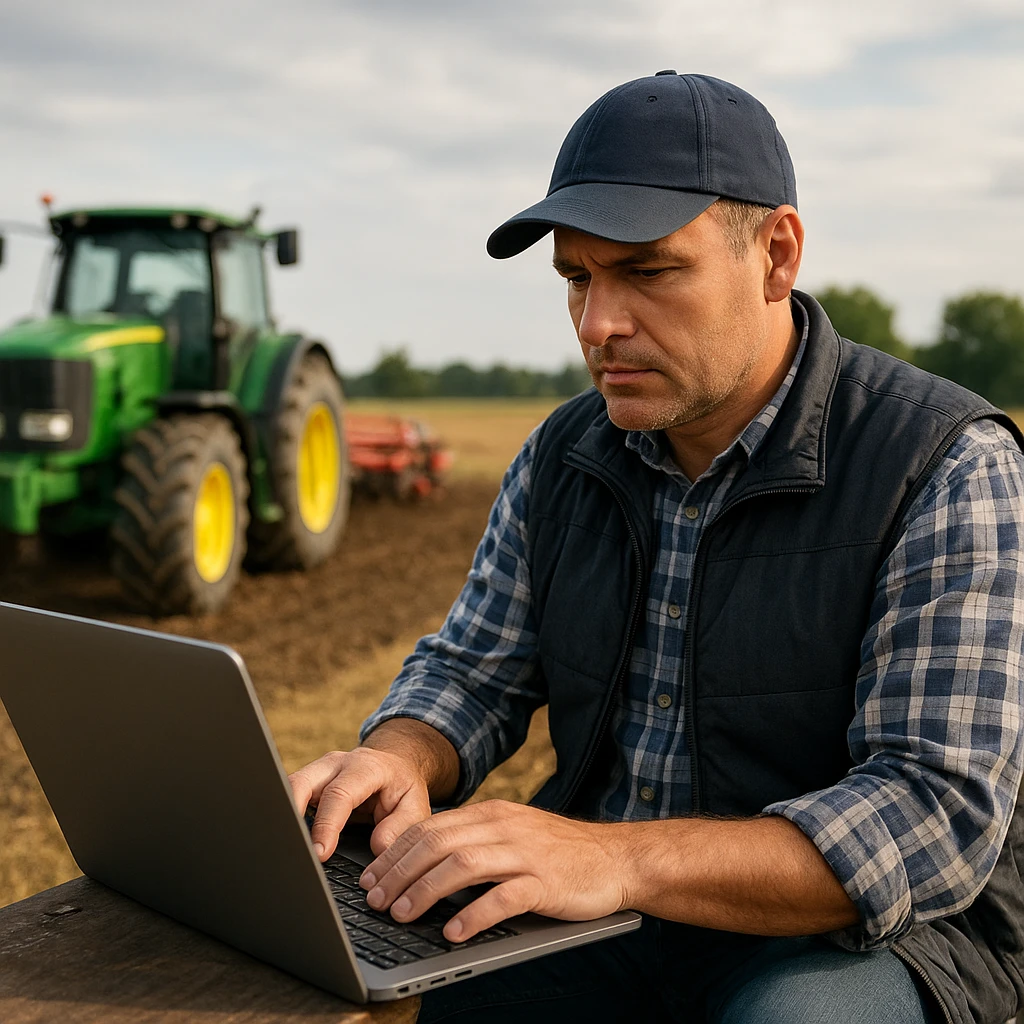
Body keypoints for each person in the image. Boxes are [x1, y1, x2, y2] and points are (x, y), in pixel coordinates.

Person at [289, 72, 1024, 1023]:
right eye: (576, 278)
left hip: (874, 939)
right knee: (471, 997)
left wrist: (615, 857)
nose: (598, 325)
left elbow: (931, 815)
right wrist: (398, 754)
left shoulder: (946, 462)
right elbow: (473, 670)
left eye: (647, 271)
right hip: (609, 911)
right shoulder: (564, 452)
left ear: (776, 255)